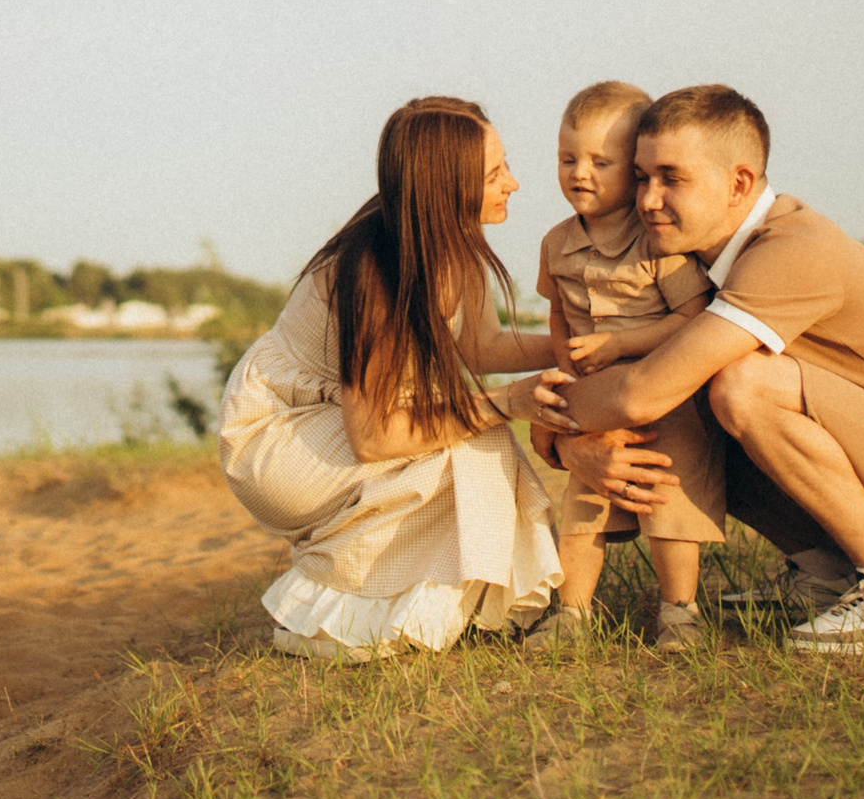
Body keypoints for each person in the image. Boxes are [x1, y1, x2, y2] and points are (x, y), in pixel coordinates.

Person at [532, 85, 864, 655]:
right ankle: (829, 572)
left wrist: (546, 426)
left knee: (741, 384)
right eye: (641, 177)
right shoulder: (699, 262)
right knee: (697, 399)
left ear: (739, 183)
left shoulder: (791, 249)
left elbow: (642, 394)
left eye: (671, 178)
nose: (647, 200)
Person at [218, 96, 600, 661]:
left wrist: (584, 343)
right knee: (472, 439)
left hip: (345, 420)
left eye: (505, 165)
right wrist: (509, 402)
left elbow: (481, 347)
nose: (514, 183)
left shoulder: (449, 239)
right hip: (281, 438)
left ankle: (421, 610)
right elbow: (374, 438)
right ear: (446, 186)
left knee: (473, 431)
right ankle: (341, 619)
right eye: (494, 174)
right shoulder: (377, 267)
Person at [528, 80, 721, 651]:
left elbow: (693, 316)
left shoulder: (657, 240)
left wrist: (620, 344)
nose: (580, 174)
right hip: (596, 400)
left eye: (600, 162)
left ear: (634, 169)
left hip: (667, 395)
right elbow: (558, 313)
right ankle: (572, 615)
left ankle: (679, 612)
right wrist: (566, 365)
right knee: (584, 503)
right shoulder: (556, 243)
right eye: (567, 159)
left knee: (668, 500)